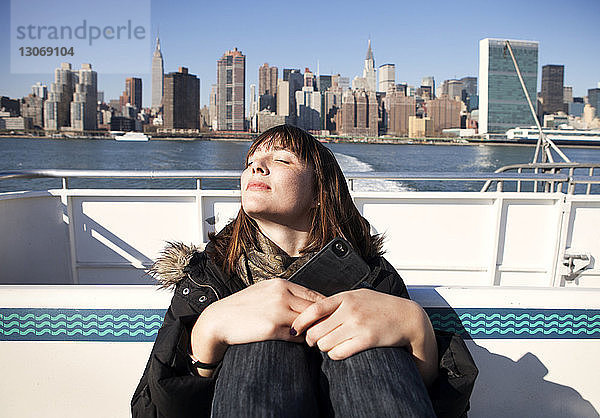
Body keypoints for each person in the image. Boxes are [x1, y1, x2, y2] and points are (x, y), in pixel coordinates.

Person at [131, 125, 477, 417]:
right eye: (250, 163)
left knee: (365, 343)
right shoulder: (209, 276)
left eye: (280, 160)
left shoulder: (372, 277)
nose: (256, 168)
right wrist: (208, 331)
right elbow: (150, 410)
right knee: (261, 347)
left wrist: (419, 333)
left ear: (318, 193)